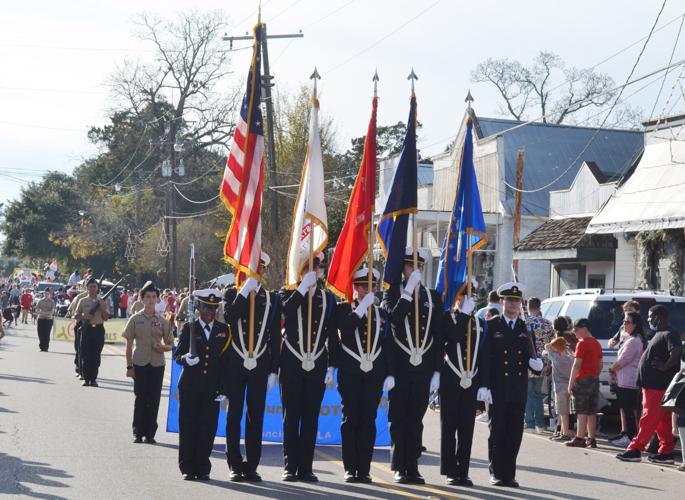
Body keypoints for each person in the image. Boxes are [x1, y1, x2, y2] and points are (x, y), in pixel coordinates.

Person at [383, 248, 443, 485]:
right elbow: (395, 319)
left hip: (423, 368)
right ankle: (399, 466)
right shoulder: (392, 294)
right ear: (402, 269)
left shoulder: (432, 297)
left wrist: (437, 369)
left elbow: (438, 336)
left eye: (418, 266)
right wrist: (407, 293)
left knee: (416, 419)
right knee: (398, 417)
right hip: (399, 367)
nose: (414, 270)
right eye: (409, 266)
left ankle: (413, 466)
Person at [221, 253, 281, 483]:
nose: (256, 274)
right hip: (235, 364)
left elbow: (274, 337)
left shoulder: (271, 299)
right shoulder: (232, 293)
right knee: (234, 415)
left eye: (259, 270)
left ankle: (252, 465)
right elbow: (229, 316)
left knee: (255, 417)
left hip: (260, 365)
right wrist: (244, 291)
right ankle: (235, 464)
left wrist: (274, 369)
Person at [477, 282, 543, 488]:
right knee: (497, 431)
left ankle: (509, 474)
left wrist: (537, 365)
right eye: (510, 300)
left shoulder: (526, 328)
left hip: (517, 388)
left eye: (517, 301)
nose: (513, 304)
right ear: (503, 302)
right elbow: (485, 357)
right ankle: (496, 472)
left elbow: (532, 356)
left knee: (514, 432)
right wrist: (484, 386)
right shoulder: (493, 325)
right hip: (497, 388)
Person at [279, 254, 337, 482]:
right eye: (308, 268)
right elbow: (286, 313)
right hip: (292, 363)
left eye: (317, 267)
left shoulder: (327, 298)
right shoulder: (288, 294)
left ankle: (306, 467)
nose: (315, 271)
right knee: (291, 417)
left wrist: (332, 366)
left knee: (311, 418)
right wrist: (302, 288)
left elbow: (332, 334)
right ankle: (289, 466)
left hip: (317, 364)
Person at [333, 267, 394, 484]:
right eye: (363, 287)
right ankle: (351, 468)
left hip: (374, 373)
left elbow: (387, 344)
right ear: (355, 288)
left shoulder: (381, 313)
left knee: (368, 420)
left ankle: (364, 469)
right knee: (350, 419)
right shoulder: (343, 309)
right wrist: (361, 310)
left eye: (372, 287)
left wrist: (389, 373)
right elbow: (346, 330)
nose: (369, 291)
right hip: (350, 372)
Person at [174, 288, 230, 481]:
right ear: (198, 307)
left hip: (211, 388)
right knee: (189, 427)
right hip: (190, 386)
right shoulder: (190, 328)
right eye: (206, 307)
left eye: (213, 308)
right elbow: (177, 355)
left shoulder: (223, 330)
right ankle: (187, 466)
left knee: (207, 428)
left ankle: (203, 466)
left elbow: (225, 363)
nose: (210, 312)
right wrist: (185, 358)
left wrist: (224, 389)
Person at [616, 305, 683, 464]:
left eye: (650, 316)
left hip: (658, 386)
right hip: (654, 386)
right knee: (662, 421)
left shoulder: (669, 333)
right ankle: (666, 452)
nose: (648, 320)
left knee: (648, 417)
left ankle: (635, 449)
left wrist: (664, 366)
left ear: (659, 317)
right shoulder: (659, 333)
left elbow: (677, 350)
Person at [123, 281, 173, 444]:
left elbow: (170, 344)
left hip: (157, 364)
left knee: (154, 399)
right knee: (140, 398)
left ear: (158, 299)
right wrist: (129, 366)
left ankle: (150, 433)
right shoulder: (135, 319)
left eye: (154, 297)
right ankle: (138, 432)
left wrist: (162, 348)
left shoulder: (163, 321)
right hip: (140, 363)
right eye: (147, 297)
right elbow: (129, 345)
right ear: (142, 299)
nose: (151, 300)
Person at [440, 293, 481, 487]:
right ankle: (450, 470)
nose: (468, 299)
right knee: (449, 427)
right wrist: (464, 313)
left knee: (467, 428)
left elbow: (483, 353)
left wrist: (483, 384)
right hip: (451, 379)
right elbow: (454, 337)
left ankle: (463, 470)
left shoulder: (480, 322)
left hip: (471, 379)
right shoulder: (448, 318)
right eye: (464, 295)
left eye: (471, 295)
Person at [608, 311, 645, 447]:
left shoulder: (635, 341)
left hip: (629, 381)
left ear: (635, 325)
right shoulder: (629, 338)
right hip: (624, 380)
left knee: (629, 410)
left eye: (627, 322)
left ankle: (630, 437)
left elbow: (623, 360)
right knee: (625, 408)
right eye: (623, 321)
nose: (624, 324)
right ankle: (628, 436)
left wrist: (611, 370)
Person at [565, 318, 602, 448]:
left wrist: (570, 384)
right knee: (592, 411)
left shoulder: (582, 343)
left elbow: (576, 365)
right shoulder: (597, 343)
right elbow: (600, 364)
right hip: (594, 379)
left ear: (584, 328)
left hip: (582, 379)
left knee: (581, 410)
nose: (574, 332)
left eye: (576, 330)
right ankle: (591, 439)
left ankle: (580, 437)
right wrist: (595, 374)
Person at [524, 297, 553, 433]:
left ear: (528, 306)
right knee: (538, 394)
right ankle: (540, 424)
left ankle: (529, 422)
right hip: (542, 362)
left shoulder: (525, 322)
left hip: (528, 361)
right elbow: (552, 343)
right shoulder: (547, 323)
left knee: (528, 393)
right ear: (539, 307)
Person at [74, 278, 109, 387]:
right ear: (87, 288)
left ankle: (93, 379)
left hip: (98, 329)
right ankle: (86, 378)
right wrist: (84, 316)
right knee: (85, 354)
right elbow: (75, 315)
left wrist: (102, 308)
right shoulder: (82, 300)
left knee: (96, 355)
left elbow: (106, 317)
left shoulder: (101, 300)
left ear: (97, 288)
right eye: (91, 286)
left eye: (94, 286)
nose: (93, 288)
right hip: (87, 329)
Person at [545, 337, 573, 441]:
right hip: (569, 386)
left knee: (562, 412)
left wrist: (551, 346)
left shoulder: (555, 357)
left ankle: (565, 433)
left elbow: (547, 347)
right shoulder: (571, 358)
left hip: (559, 387)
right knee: (566, 411)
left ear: (556, 348)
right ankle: (561, 431)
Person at [68, 287, 89, 379]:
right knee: (80, 349)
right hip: (81, 325)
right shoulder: (79, 297)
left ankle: (89, 371)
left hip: (93, 327)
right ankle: (79, 369)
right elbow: (72, 311)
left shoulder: (99, 298)